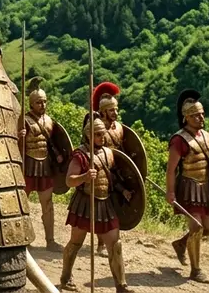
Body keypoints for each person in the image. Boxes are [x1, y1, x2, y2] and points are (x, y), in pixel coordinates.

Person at [60, 113, 135, 293]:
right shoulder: (81, 155)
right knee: (76, 243)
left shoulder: (109, 153)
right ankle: (65, 277)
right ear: (88, 135)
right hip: (85, 203)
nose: (102, 137)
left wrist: (123, 190)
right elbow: (69, 181)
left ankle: (121, 285)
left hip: (105, 203)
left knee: (115, 244)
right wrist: (85, 176)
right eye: (98, 134)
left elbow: (111, 178)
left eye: (103, 134)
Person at [166, 89, 209, 283]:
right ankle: (196, 270)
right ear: (187, 118)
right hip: (189, 187)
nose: (201, 118)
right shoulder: (179, 140)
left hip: (206, 187)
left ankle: (181, 244)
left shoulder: (206, 136)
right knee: (197, 227)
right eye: (196, 115)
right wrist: (170, 192)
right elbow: (171, 169)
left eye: (202, 114)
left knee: (208, 228)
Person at [21, 78, 64, 249]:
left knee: (47, 204)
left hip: (45, 166)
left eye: (45, 101)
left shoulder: (50, 121)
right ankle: (24, 239)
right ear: (32, 104)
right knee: (22, 204)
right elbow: (15, 144)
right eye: (39, 102)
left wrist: (60, 156)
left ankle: (50, 241)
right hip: (28, 165)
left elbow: (55, 143)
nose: (43, 105)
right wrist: (20, 135)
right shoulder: (24, 120)